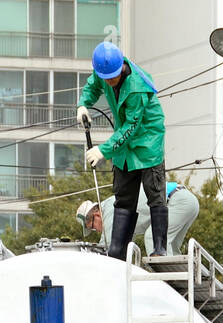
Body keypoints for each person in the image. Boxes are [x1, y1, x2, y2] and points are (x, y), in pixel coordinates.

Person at [77, 41, 168, 260]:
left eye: (112, 77)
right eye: (105, 77)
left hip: (147, 141)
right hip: (123, 146)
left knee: (154, 194)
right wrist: (83, 105)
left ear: (121, 68)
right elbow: (92, 86)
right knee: (123, 196)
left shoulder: (136, 87)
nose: (109, 81)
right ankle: (117, 251)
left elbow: (131, 127)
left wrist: (103, 151)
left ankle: (159, 249)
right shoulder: (104, 70)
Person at [76, 181, 199, 257]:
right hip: (187, 200)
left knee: (152, 237)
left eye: (92, 227)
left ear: (96, 215)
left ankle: (167, 281)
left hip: (177, 201)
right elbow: (125, 246)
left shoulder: (111, 209)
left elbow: (105, 247)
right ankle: (181, 279)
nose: (96, 231)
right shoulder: (117, 209)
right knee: (171, 248)